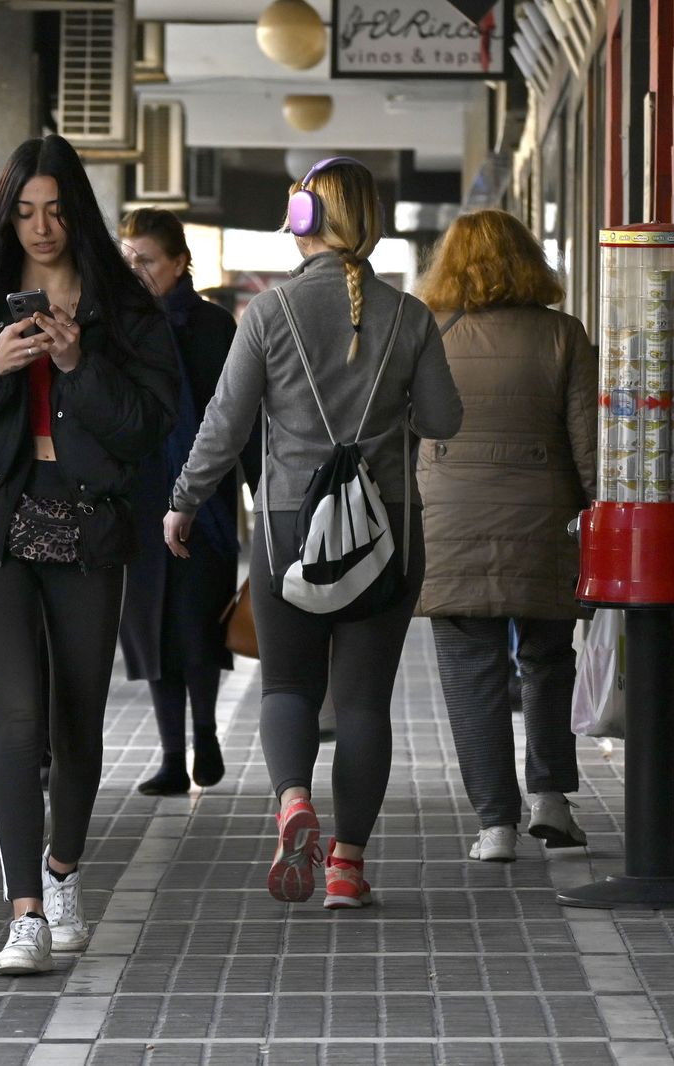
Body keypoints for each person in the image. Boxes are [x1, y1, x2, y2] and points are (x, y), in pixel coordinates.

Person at [165, 158, 463, 909]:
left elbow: (225, 424)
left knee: (289, 685)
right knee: (363, 704)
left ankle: (294, 802)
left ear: (302, 220)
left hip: (289, 529)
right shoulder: (411, 316)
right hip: (387, 533)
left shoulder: (267, 314)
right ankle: (347, 868)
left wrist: (184, 500)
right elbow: (445, 421)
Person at [0, 135, 178, 975]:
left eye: (56, 211)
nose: (41, 228)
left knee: (77, 719)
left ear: (78, 213)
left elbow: (148, 429)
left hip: (89, 524)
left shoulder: (126, 309)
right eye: (25, 212)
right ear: (8, 216)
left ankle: (63, 873)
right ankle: (24, 914)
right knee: (19, 718)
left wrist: (76, 364)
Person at [412, 208, 597, 863]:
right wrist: (601, 521)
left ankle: (495, 824)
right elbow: (589, 449)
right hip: (544, 523)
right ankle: (550, 797)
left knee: (472, 675)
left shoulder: (427, 333)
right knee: (548, 660)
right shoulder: (563, 336)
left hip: (450, 526)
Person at [118, 208, 251, 796]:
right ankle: (173, 754)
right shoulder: (120, 327)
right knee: (151, 628)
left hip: (207, 501)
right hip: (140, 498)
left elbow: (240, 414)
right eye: (128, 260)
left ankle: (206, 734)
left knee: (198, 624)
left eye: (146, 260)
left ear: (178, 263)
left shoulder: (214, 326)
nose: (136, 270)